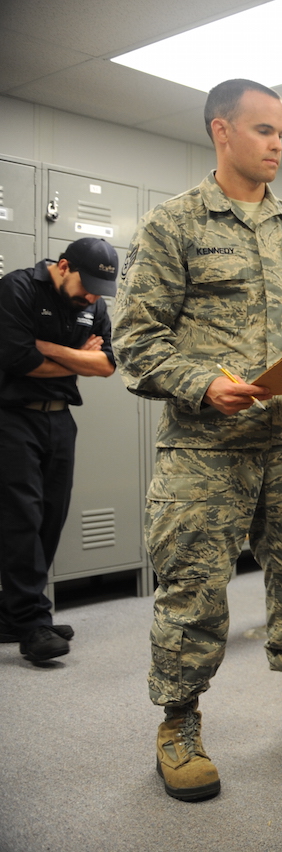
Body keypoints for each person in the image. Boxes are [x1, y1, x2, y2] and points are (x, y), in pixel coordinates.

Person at [113, 78, 282, 803]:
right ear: (220, 131)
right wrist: (201, 382)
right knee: (192, 589)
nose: (278, 145)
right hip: (205, 447)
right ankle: (179, 724)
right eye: (263, 131)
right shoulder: (174, 225)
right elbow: (132, 341)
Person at [0, 238, 119, 665]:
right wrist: (77, 359)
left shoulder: (94, 306)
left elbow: (107, 364)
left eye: (97, 291)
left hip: (59, 419)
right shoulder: (17, 289)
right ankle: (32, 623)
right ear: (63, 266)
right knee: (22, 516)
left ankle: (15, 613)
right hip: (13, 418)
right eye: (85, 285)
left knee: (52, 515)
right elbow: (18, 359)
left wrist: (49, 349)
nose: (91, 296)